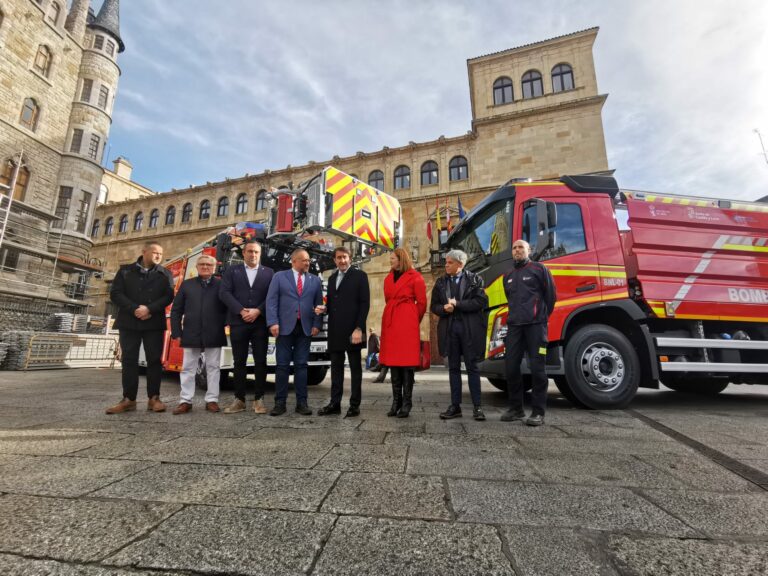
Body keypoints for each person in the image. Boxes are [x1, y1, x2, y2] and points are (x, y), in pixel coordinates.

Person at [105, 242, 174, 414]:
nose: (158, 256)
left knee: (154, 361)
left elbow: (168, 296)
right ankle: (129, 399)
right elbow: (115, 293)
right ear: (144, 252)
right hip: (129, 321)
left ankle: (154, 398)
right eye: (155, 252)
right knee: (129, 360)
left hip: (153, 322)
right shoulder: (125, 271)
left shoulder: (165, 274)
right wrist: (135, 308)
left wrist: (149, 309)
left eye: (161, 254)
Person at [500, 239, 557, 426]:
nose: (517, 250)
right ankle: (516, 408)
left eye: (520, 247)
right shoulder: (507, 275)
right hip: (515, 327)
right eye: (514, 248)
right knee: (511, 368)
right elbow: (510, 299)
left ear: (528, 250)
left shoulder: (540, 269)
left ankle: (538, 412)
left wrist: (540, 317)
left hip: (535, 326)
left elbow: (551, 296)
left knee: (538, 369)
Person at [431, 249, 488, 421]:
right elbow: (433, 306)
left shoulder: (475, 279)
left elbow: (481, 302)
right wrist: (443, 309)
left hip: (469, 330)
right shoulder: (440, 282)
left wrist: (458, 304)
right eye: (446, 262)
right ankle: (455, 406)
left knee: (472, 368)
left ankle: (477, 407)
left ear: (460, 264)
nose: (446, 265)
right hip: (450, 331)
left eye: (449, 262)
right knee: (453, 369)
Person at [219, 240, 274, 414]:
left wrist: (258, 311)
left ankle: (259, 399)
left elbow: (272, 296)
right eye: (250, 251)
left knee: (260, 361)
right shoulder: (232, 271)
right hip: (238, 321)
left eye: (257, 252)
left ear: (260, 254)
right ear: (243, 253)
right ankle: (239, 399)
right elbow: (224, 293)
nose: (253, 255)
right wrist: (241, 311)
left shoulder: (269, 273)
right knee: (239, 361)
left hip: (259, 323)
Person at [266, 248, 323, 416]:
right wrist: (273, 322)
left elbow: (318, 304)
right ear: (294, 261)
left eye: (309, 261)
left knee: (301, 366)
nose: (308, 263)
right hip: (284, 328)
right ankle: (280, 403)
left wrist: (317, 324)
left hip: (305, 329)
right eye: (304, 260)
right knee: (282, 366)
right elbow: (271, 301)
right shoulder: (279, 277)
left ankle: (302, 403)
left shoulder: (314, 280)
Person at [170, 254, 228, 414]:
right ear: (196, 266)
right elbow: (176, 310)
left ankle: (212, 400)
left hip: (214, 332)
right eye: (202, 264)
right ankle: (185, 401)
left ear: (214, 268)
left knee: (213, 368)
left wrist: (222, 324)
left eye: (209, 265)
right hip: (191, 331)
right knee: (188, 368)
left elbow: (228, 308)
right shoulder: (187, 285)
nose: (205, 267)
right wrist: (176, 332)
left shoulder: (221, 285)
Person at [317, 247, 370, 418]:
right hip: (335, 331)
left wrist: (359, 329)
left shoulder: (360, 276)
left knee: (355, 369)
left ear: (350, 258)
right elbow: (332, 303)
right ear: (335, 260)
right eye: (339, 258)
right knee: (336, 370)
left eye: (345, 257)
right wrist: (324, 309)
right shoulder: (331, 279)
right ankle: (335, 403)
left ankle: (354, 405)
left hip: (354, 331)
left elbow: (364, 304)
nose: (342, 261)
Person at [378, 247, 427, 418]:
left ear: (401, 259)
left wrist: (412, 320)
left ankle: (407, 402)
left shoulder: (416, 277)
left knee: (407, 365)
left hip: (407, 323)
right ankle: (396, 402)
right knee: (393, 363)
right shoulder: (387, 278)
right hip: (392, 322)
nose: (390, 261)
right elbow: (387, 299)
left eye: (393, 258)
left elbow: (421, 304)